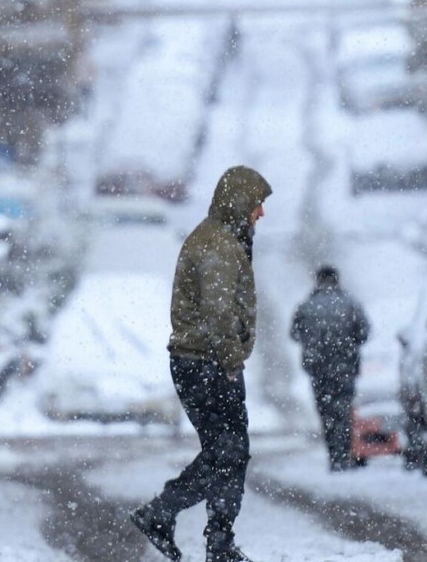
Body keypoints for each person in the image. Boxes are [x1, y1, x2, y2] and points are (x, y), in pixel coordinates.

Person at [132, 165, 272, 562]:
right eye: (257, 204)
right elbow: (218, 314)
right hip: (207, 364)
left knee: (226, 451)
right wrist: (231, 361)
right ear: (241, 202)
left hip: (204, 362)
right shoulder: (218, 245)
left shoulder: (222, 238)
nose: (260, 213)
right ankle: (175, 519)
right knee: (228, 451)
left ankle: (210, 536)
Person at [289, 265, 370, 471]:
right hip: (345, 367)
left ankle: (335, 456)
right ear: (337, 279)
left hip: (318, 369)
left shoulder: (307, 306)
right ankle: (346, 453)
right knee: (344, 410)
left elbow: (295, 334)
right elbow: (363, 333)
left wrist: (315, 343)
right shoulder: (350, 304)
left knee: (326, 412)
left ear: (318, 280)